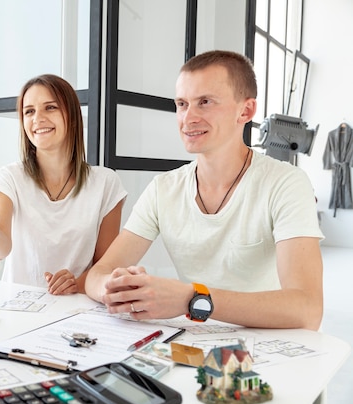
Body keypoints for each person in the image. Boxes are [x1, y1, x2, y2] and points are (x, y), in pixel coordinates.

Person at [85, 50, 324, 330]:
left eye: (205, 102)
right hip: (192, 340)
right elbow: (97, 274)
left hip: (267, 347)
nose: (188, 118)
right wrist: (114, 289)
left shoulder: (286, 183)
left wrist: (193, 298)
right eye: (182, 104)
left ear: (245, 111)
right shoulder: (163, 189)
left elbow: (307, 310)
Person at [0, 74, 127, 295]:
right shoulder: (8, 178)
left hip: (81, 310)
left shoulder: (106, 183)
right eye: (29, 111)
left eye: (50, 108)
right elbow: (2, 248)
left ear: (71, 116)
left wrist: (75, 285)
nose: (38, 119)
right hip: (19, 312)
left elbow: (105, 267)